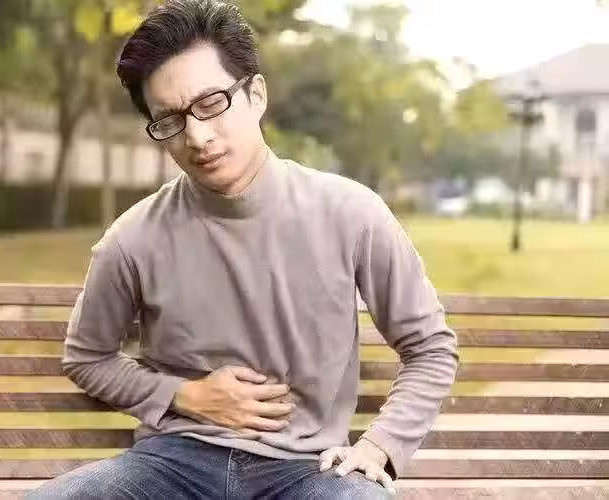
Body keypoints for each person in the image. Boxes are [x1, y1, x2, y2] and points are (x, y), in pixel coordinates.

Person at [27, 0, 459, 498]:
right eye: (170, 120)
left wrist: (379, 446)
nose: (197, 136)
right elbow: (87, 358)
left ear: (256, 95)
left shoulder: (351, 213)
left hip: (308, 471)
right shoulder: (132, 239)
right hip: (170, 466)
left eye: (211, 103)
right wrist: (183, 394)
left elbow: (430, 347)